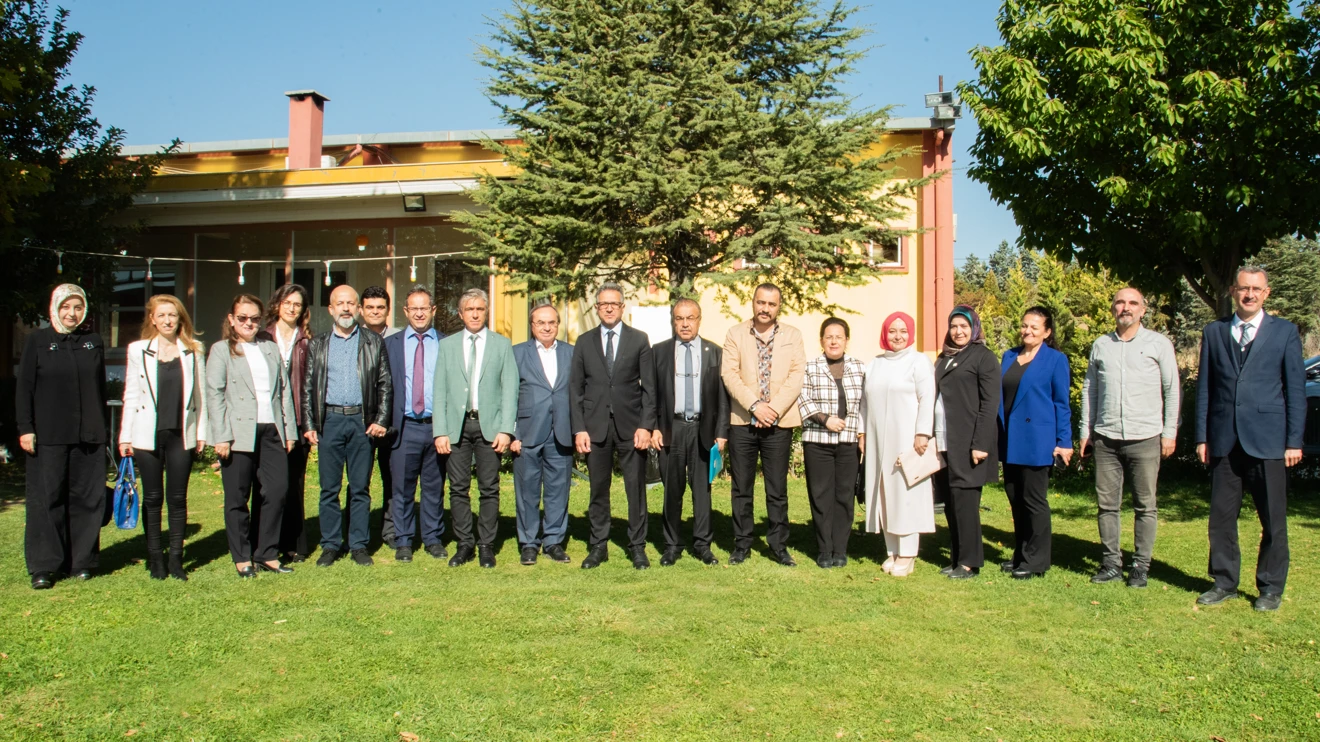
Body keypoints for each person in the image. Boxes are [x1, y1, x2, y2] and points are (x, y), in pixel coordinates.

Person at [1194, 266, 1305, 612]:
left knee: (1272, 518)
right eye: (1244, 288)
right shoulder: (1214, 333)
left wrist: (1294, 440)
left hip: (1269, 441)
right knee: (1221, 518)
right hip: (1224, 439)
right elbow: (1205, 389)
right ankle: (1224, 582)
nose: (1250, 294)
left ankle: (1270, 588)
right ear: (1233, 291)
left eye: (1256, 289)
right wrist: (1202, 436)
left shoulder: (1284, 332)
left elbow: (1296, 391)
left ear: (1266, 293)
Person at [1079, 288, 1179, 589]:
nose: (1126, 307)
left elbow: (1172, 390)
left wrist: (1169, 432)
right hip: (1107, 438)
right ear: (1112, 309)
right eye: (1120, 302)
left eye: (1133, 303)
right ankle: (1111, 563)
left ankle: (1140, 566)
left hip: (1145, 436)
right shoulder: (1101, 345)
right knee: (1107, 505)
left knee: (1145, 506)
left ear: (1143, 310)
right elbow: (1090, 390)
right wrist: (1086, 431)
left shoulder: (1158, 344)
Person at [17, 284, 107, 590]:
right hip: (48, 435)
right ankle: (45, 566)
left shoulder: (93, 342)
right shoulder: (37, 341)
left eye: (78, 307)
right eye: (66, 307)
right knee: (47, 499)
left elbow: (100, 387)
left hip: (89, 435)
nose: (72, 313)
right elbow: (25, 388)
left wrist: (103, 430)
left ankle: (81, 561)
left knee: (86, 499)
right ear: (54, 308)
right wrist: (25, 427)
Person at [205, 294, 298, 577]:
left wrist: (289, 430)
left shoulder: (268, 348)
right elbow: (214, 394)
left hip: (271, 430)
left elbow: (284, 391)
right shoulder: (221, 350)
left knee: (277, 491)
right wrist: (220, 436)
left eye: (254, 318)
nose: (249, 323)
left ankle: (266, 552)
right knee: (238, 497)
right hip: (238, 433)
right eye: (243, 318)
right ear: (232, 320)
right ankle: (242, 556)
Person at [302, 285, 392, 568]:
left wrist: (380, 420)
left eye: (350, 303)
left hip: (360, 422)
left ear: (358, 308)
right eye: (339, 303)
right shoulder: (318, 344)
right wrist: (309, 423)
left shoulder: (372, 342)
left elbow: (385, 384)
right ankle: (330, 544)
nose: (345, 308)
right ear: (330, 309)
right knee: (329, 488)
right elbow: (307, 388)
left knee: (360, 487)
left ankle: (358, 544)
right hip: (329, 422)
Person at [119, 295, 208, 581]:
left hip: (180, 434)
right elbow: (131, 394)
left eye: (173, 315)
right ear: (153, 320)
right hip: (146, 435)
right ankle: (155, 558)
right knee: (153, 498)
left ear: (180, 319)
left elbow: (200, 397)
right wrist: (125, 436)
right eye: (162, 315)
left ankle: (176, 560)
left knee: (178, 499)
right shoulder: (138, 351)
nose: (168, 320)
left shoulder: (193, 351)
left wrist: (202, 433)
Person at [570, 282, 657, 570]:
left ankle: (637, 547)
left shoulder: (639, 340)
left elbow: (649, 389)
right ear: (597, 308)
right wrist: (579, 428)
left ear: (622, 307)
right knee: (598, 489)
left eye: (614, 304)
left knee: (635, 489)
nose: (608, 308)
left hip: (631, 428)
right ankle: (598, 546)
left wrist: (646, 426)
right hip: (595, 429)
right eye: (603, 304)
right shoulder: (584, 342)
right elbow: (575, 390)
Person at [720, 283, 806, 567]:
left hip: (779, 424)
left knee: (777, 489)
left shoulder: (793, 336)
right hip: (743, 421)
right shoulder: (735, 334)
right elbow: (729, 374)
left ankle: (778, 545)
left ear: (778, 306)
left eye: (771, 304)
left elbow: (796, 377)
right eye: (761, 303)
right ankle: (742, 544)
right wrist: (756, 406)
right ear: (753, 303)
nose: (765, 309)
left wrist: (773, 409)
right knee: (741, 487)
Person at [433, 288, 518, 569]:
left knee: (489, 488)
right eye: (469, 309)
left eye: (479, 309)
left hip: (489, 427)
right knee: (457, 489)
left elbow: (510, 389)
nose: (474, 314)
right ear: (460, 314)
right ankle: (464, 543)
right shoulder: (447, 346)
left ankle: (486, 545)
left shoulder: (501, 345)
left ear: (486, 311)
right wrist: (440, 431)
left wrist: (506, 429)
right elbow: (440, 390)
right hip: (456, 428)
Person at [650, 299, 728, 567]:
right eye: (679, 318)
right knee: (672, 488)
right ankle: (671, 545)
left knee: (701, 489)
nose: (685, 323)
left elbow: (722, 397)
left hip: (703, 429)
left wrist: (721, 432)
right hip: (671, 428)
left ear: (699, 319)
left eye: (690, 318)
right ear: (673, 321)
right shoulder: (659, 352)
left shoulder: (714, 352)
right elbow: (651, 394)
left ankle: (702, 545)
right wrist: (653, 428)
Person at [998, 306, 1073, 580]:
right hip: (1010, 439)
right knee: (1015, 498)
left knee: (1033, 501)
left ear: (1047, 332)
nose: (1027, 331)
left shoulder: (1055, 360)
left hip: (1037, 440)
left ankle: (1036, 560)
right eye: (1024, 325)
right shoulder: (1009, 356)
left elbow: (1061, 404)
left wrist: (1064, 441)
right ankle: (1020, 554)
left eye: (1034, 327)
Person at [862, 312, 935, 577]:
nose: (898, 336)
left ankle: (908, 553)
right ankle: (891, 550)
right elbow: (864, 403)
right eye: (892, 331)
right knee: (884, 493)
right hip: (878, 441)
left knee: (906, 494)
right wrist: (862, 434)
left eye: (903, 331)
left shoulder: (919, 362)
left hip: (908, 440)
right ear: (884, 333)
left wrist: (922, 433)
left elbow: (928, 399)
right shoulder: (875, 364)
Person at [931, 306, 999, 580]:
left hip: (969, 443)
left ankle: (970, 562)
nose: (958, 332)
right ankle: (958, 556)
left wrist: (980, 443)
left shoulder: (983, 357)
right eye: (954, 326)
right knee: (950, 502)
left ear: (974, 328)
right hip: (945, 441)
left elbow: (990, 403)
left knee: (966, 504)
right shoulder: (944, 357)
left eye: (964, 326)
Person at [384, 285, 447, 563]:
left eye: (425, 308)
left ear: (433, 310)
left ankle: (433, 538)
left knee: (434, 487)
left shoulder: (447, 344)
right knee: (403, 487)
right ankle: (404, 540)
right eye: (414, 308)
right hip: (404, 426)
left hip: (437, 426)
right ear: (405, 311)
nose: (419, 313)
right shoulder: (391, 344)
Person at [797, 317, 866, 569]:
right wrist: (825, 419)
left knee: (844, 496)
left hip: (848, 442)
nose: (834, 341)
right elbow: (802, 398)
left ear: (847, 340)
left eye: (839, 336)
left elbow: (865, 405)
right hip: (817, 441)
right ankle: (824, 549)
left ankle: (841, 548)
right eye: (829, 336)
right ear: (821, 340)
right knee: (821, 495)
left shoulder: (859, 368)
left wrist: (862, 434)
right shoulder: (810, 366)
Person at [510, 304, 575, 565]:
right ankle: (528, 542)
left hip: (561, 431)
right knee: (527, 489)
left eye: (551, 322)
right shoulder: (517, 353)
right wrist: (512, 432)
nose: (547, 327)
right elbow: (509, 394)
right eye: (540, 323)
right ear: (532, 325)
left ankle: (553, 541)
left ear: (558, 324)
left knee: (558, 489)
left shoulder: (572, 353)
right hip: (527, 432)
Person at [262, 284, 313, 564]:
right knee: (267, 487)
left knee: (293, 484)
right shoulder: (262, 337)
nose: (292, 308)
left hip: (297, 421)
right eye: (287, 302)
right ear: (277, 304)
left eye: (297, 304)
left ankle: (294, 542)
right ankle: (264, 542)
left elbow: (309, 384)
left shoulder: (306, 340)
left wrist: (308, 423)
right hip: (268, 421)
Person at [360, 285, 401, 548]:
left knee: (392, 478)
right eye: (370, 307)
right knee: (359, 482)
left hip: (392, 423)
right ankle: (358, 533)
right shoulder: (352, 338)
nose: (376, 312)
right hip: (359, 421)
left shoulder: (398, 338)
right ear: (361, 310)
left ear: (388, 310)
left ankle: (392, 530)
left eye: (381, 307)